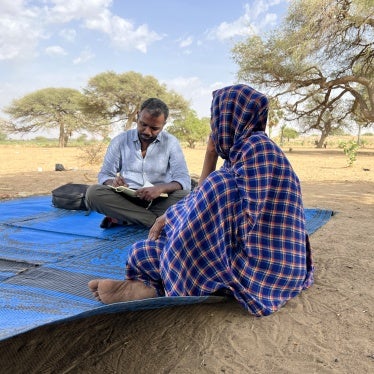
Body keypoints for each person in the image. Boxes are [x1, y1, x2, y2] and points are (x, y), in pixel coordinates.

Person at [88, 84, 314, 316]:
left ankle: (158, 283)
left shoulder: (257, 150)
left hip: (259, 257)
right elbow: (205, 197)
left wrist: (174, 210)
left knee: (210, 193)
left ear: (231, 117)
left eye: (216, 118)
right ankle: (149, 285)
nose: (214, 126)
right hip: (131, 198)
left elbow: (211, 196)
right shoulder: (239, 151)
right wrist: (210, 154)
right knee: (140, 248)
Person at [85, 97, 191, 228]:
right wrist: (112, 182)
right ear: (137, 116)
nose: (147, 131)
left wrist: (160, 188)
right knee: (93, 193)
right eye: (143, 124)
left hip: (159, 199)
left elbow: (183, 179)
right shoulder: (120, 141)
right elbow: (105, 174)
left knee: (187, 197)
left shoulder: (171, 142)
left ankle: (128, 218)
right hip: (126, 199)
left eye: (154, 128)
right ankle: (156, 222)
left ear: (164, 124)